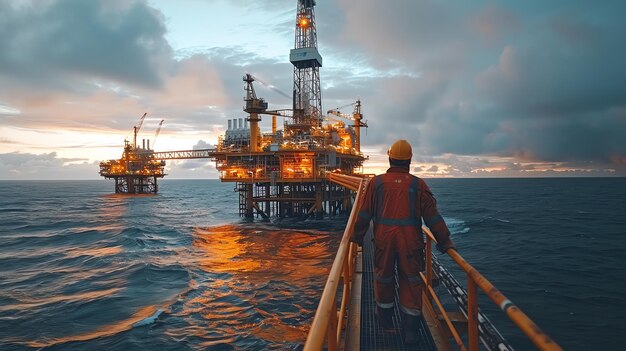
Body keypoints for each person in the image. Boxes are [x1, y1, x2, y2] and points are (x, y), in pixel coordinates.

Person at [350, 139, 455, 344]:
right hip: (410, 244)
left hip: (384, 242)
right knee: (411, 282)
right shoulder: (418, 185)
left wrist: (356, 237)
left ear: (390, 158)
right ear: (409, 161)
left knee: (384, 279)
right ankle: (411, 332)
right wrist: (445, 241)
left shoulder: (377, 183)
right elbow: (433, 218)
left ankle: (386, 324)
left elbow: (364, 214)